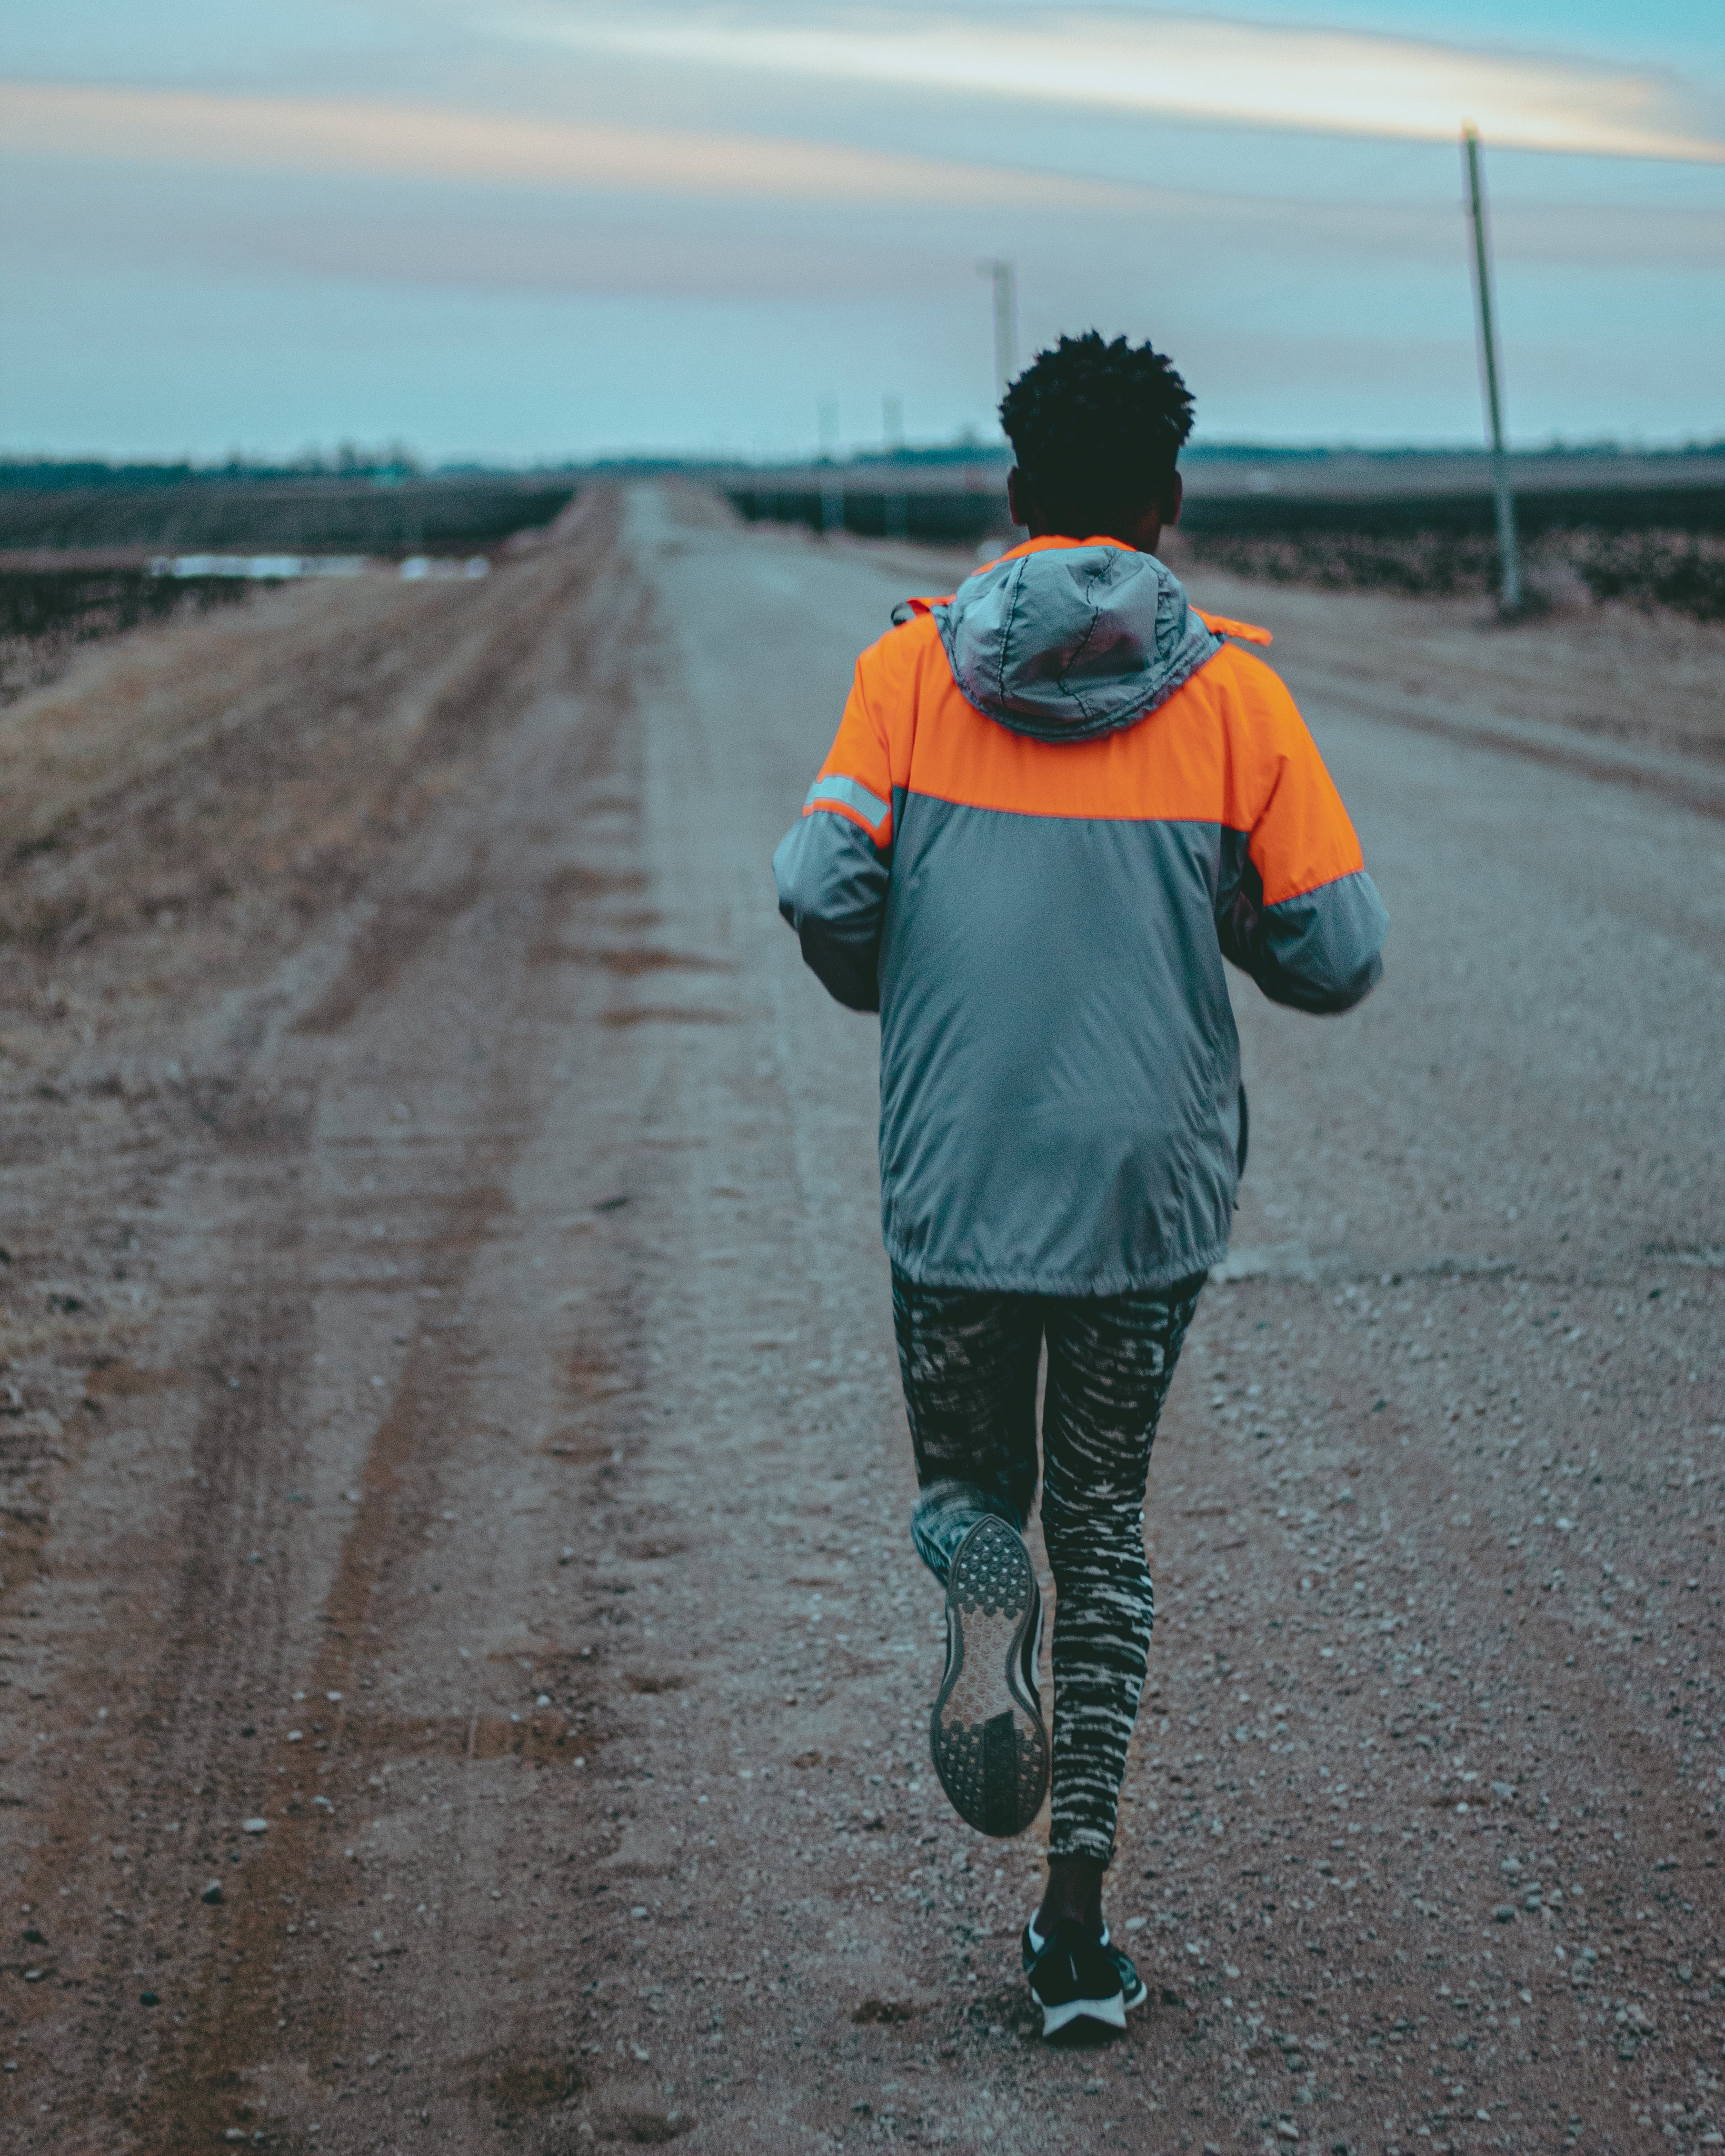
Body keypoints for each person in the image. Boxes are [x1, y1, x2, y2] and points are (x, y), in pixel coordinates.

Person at [773, 332, 1388, 2038]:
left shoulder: (907, 674)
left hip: (957, 1173)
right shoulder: (1240, 698)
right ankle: (1072, 1934)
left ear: (1019, 497)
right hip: (1143, 1192)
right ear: (1168, 503)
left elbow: (823, 884)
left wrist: (906, 991)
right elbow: (1338, 950)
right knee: (1107, 1527)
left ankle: (982, 1565)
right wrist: (1226, 912)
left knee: (978, 1491)